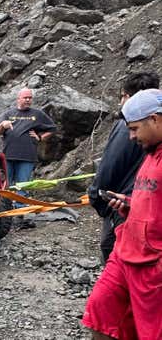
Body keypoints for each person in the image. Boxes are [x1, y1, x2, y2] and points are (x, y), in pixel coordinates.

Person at [82, 89, 162, 340]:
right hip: (126, 251)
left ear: (155, 119)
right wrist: (131, 205)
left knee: (151, 330)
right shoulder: (151, 152)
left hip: (153, 263)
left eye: (135, 128)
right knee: (100, 310)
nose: (131, 136)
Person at [88, 72, 159, 263]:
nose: (132, 135)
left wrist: (97, 196)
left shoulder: (127, 125)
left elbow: (111, 164)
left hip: (125, 206)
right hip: (139, 204)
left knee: (115, 253)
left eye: (122, 96)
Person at [0, 88, 56, 201]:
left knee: (23, 184)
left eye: (30, 98)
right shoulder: (9, 113)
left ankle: (20, 209)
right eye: (25, 97)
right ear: (18, 99)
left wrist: (40, 137)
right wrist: (3, 125)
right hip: (8, 155)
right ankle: (6, 207)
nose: (28, 100)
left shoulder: (37, 114)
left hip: (27, 156)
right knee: (6, 184)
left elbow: (52, 128)